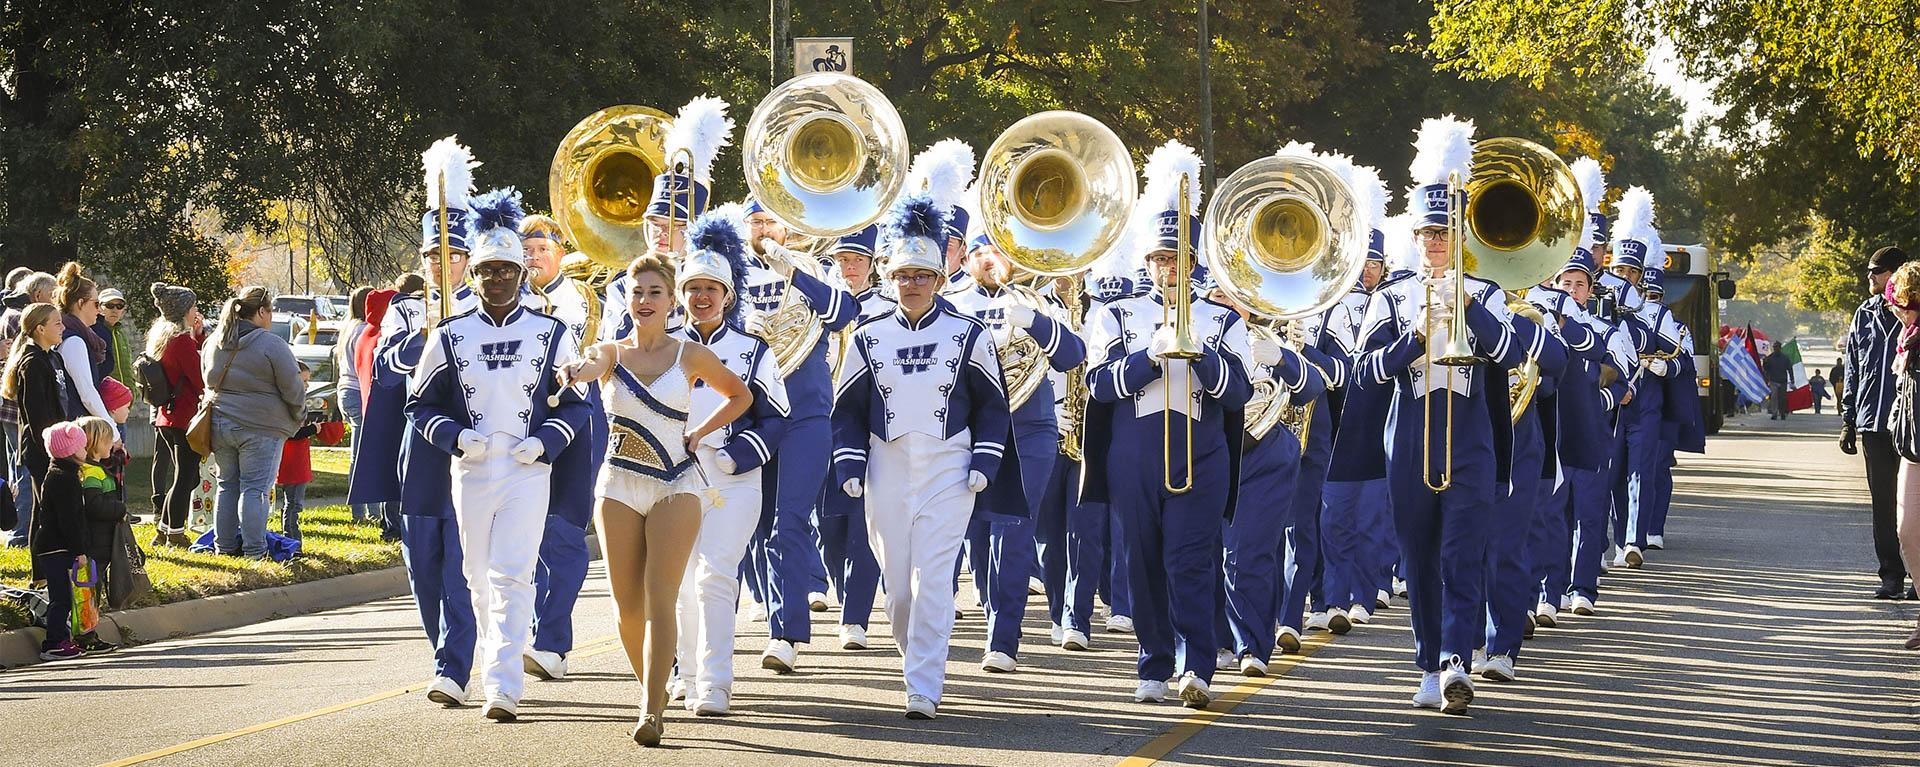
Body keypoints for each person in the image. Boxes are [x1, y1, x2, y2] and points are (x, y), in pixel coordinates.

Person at [1352, 116, 1555, 714]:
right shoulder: (1389, 296)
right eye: (1428, 234)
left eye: (1445, 233)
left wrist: (1470, 305)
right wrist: (1412, 340)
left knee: (1463, 551)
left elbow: (1516, 353)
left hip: (1471, 431)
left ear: (1460, 236)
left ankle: (1454, 661)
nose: (1436, 243)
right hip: (1410, 431)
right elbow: (1366, 373)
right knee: (1419, 555)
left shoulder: (1489, 291)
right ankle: (1426, 660)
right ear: (1412, 238)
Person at [407, 187, 595, 722]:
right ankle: (492, 664)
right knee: (475, 575)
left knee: (513, 573)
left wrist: (546, 443)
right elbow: (419, 406)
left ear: (522, 274)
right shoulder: (449, 335)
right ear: (475, 274)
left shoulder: (552, 332)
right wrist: (456, 438)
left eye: (507, 271)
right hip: (470, 469)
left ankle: (503, 684)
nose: (497, 280)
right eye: (487, 270)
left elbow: (579, 407)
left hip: (526, 470)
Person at [831, 194, 1013, 720]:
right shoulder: (867, 335)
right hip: (886, 465)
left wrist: (984, 462)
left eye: (922, 275)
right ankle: (916, 660)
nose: (912, 284)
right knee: (897, 591)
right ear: (891, 277)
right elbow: (846, 410)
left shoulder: (968, 334)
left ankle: (924, 685)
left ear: (938, 279)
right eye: (904, 274)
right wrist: (849, 465)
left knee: (933, 580)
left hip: (948, 467)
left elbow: (993, 407)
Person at [1083, 141, 1252, 709]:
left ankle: (1196, 662)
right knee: (1143, 561)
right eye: (1159, 258)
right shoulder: (1116, 314)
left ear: (1194, 261)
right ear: (1147, 262)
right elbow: (1098, 387)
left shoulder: (1221, 317)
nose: (1167, 268)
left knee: (1188, 558)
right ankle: (1153, 660)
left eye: (1177, 258)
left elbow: (1240, 394)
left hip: (1200, 452)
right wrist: (1148, 359)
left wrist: (1200, 354)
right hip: (1133, 452)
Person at [562, 253, 751, 744]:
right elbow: (591, 363)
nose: (644, 301)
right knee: (625, 606)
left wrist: (700, 432)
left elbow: (740, 395)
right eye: (637, 292)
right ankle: (656, 685)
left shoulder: (691, 354)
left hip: (677, 484)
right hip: (618, 485)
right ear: (625, 298)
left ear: (672, 301)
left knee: (659, 599)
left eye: (655, 293)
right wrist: (578, 370)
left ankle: (650, 710)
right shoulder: (610, 352)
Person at [357, 138, 484, 707]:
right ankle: (444, 652)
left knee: (458, 563)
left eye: (453, 256)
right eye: (434, 257)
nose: (442, 265)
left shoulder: (489, 310)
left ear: (470, 259)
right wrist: (433, 333)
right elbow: (388, 365)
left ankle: (453, 665)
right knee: (422, 563)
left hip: (473, 448)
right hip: (420, 447)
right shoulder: (407, 309)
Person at [668, 211, 791, 715]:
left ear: (728, 294)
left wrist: (735, 458)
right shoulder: (664, 348)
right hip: (672, 478)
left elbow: (778, 417)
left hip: (731, 481)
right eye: (693, 287)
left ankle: (716, 681)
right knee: (678, 578)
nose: (702, 297)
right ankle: (687, 673)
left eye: (711, 288)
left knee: (715, 573)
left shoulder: (752, 349)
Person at [517, 213, 608, 684]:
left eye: (541, 249)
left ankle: (551, 641)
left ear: (560, 253)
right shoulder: (506, 297)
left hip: (575, 417)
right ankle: (531, 634)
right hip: (520, 422)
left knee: (563, 533)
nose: (532, 258)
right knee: (523, 534)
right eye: (525, 250)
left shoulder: (582, 301)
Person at [818, 223, 888, 649]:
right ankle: (846, 598)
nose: (848, 268)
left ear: (870, 266)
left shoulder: (882, 305)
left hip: (868, 423)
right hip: (822, 419)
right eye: (842, 260)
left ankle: (855, 616)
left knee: (864, 520)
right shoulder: (818, 304)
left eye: (857, 261)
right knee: (828, 522)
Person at [202, 286, 305, 559]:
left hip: (220, 423)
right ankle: (254, 552)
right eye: (270, 311)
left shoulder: (213, 341)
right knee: (255, 489)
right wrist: (299, 415)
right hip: (261, 427)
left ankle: (223, 548)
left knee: (226, 485)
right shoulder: (272, 344)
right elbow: (293, 387)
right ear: (261, 311)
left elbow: (207, 380)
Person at [1843, 245, 1912, 600]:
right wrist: (1848, 419)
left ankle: (1918, 575)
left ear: (1896, 273)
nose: (1870, 277)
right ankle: (1891, 575)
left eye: (1877, 271)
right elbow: (1853, 366)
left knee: (1912, 505)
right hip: (1873, 425)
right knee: (1882, 505)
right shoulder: (1864, 314)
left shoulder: (1912, 314)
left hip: (1911, 425)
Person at [27, 421, 96, 660]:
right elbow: (70, 520)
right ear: (70, 450)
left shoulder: (59, 474)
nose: (85, 450)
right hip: (56, 547)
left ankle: (63, 638)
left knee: (64, 596)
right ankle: (53, 643)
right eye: (82, 446)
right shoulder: (64, 480)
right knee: (61, 598)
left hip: (56, 546)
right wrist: (79, 550)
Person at [4, 304, 69, 545]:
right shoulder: (32, 363)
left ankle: (41, 572)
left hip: (57, 444)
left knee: (44, 509)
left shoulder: (52, 356)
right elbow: (38, 416)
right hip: (43, 448)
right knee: (48, 510)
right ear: (40, 329)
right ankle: (45, 570)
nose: (63, 328)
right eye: (57, 323)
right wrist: (55, 450)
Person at [147, 283, 204, 548]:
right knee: (185, 477)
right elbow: (198, 377)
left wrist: (199, 336)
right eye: (193, 307)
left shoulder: (163, 338)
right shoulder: (181, 342)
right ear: (183, 311)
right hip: (184, 418)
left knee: (187, 476)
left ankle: (164, 529)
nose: (196, 311)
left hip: (166, 417)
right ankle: (175, 533)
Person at [1881, 261, 1920, 648]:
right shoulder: (1907, 340)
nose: (1893, 308)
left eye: (1900, 302)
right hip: (1913, 446)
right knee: (1908, 530)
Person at [2, 272, 55, 544]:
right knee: (24, 473)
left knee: (17, 469)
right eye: (52, 294)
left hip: (10, 409)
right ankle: (20, 533)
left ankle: (18, 530)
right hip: (16, 411)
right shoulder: (18, 320)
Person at [274, 361, 343, 542]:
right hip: (293, 461)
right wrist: (315, 429)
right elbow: (292, 433)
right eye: (304, 381)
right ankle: (293, 540)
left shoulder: (290, 401)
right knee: (293, 504)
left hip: (296, 459)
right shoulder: (290, 403)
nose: (307, 385)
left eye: (307, 381)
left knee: (291, 503)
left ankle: (289, 538)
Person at [52, 264, 117, 437]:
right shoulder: (74, 341)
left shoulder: (67, 334)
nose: (100, 310)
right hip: (76, 429)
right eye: (96, 304)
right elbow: (87, 393)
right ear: (80, 303)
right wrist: (113, 432)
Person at [337, 286, 381, 525]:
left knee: (359, 454)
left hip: (345, 390)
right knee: (365, 455)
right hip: (359, 390)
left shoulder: (348, 327)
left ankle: (363, 510)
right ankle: (368, 511)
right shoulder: (365, 330)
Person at [91, 288, 133, 383]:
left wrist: (133, 390)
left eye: (119, 306)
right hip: (105, 394)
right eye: (110, 305)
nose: (115, 310)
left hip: (127, 395)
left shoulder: (121, 334)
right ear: (99, 308)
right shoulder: (94, 332)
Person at [1764, 343, 1794, 419]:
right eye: (1774, 347)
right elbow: (1766, 369)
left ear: (1780, 348)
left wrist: (1792, 379)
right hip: (1773, 381)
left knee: (1782, 398)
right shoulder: (1770, 358)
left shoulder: (1785, 358)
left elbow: (1790, 369)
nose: (1776, 349)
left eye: (1777, 347)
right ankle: (1774, 413)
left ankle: (1782, 412)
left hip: (1782, 381)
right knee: (1774, 397)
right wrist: (1765, 362)